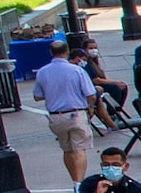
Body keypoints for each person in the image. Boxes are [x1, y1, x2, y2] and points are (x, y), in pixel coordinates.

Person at [31, 47, 99, 184]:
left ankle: (74, 179)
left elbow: (37, 96)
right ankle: (79, 184)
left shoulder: (43, 72)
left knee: (67, 149)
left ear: (51, 52)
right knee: (79, 148)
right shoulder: (77, 70)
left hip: (56, 116)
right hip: (76, 113)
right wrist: (91, 107)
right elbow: (91, 94)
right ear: (66, 52)